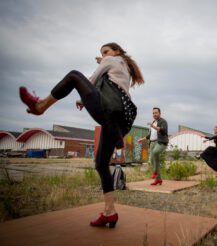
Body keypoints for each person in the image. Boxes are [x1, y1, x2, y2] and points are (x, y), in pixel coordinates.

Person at [19, 42, 144, 228]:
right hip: (118, 119)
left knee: (73, 75)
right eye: (102, 53)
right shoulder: (123, 66)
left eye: (106, 51)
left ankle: (40, 106)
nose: (103, 55)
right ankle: (110, 212)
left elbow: (91, 80)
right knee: (101, 165)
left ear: (116, 51)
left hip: (110, 110)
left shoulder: (112, 60)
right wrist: (85, 96)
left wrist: (101, 64)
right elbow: (103, 85)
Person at [138, 107, 168, 185]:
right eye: (153, 113)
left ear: (159, 113)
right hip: (152, 143)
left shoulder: (163, 121)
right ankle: (158, 180)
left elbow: (163, 130)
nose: (154, 114)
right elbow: (150, 135)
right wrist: (142, 139)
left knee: (155, 152)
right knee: (152, 160)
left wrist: (153, 126)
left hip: (160, 142)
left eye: (156, 112)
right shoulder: (153, 122)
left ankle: (154, 172)